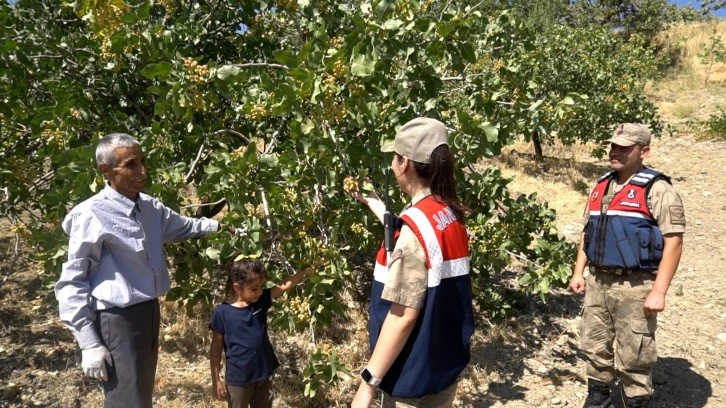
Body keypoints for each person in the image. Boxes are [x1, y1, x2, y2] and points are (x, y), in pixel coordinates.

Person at [55, 133, 229, 408]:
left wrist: (224, 227)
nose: (142, 171)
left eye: (143, 162)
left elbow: (184, 226)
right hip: (118, 319)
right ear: (106, 171)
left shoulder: (150, 207)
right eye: (131, 164)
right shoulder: (91, 214)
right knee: (127, 400)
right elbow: (72, 282)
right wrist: (88, 342)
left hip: (149, 311)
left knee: (140, 395)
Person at [349, 117, 475, 408]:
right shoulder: (448, 211)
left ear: (404, 162)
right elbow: (420, 238)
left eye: (394, 157)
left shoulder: (416, 228)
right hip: (441, 365)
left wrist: (368, 384)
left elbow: (403, 316)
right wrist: (376, 205)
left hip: (412, 376)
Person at [569, 123, 686, 408]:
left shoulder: (658, 189)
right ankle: (598, 399)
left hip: (636, 285)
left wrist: (659, 291)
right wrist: (578, 272)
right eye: (613, 146)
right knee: (594, 345)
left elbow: (674, 242)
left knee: (635, 352)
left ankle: (635, 401)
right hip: (598, 281)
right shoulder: (601, 184)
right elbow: (588, 233)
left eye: (624, 147)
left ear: (643, 151)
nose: (615, 152)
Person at [209, 258, 310, 408]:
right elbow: (215, 349)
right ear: (237, 288)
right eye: (254, 288)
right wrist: (216, 379)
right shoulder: (222, 313)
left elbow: (284, 286)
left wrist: (305, 272)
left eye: (262, 287)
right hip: (239, 380)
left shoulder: (260, 302)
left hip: (263, 374)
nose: (260, 292)